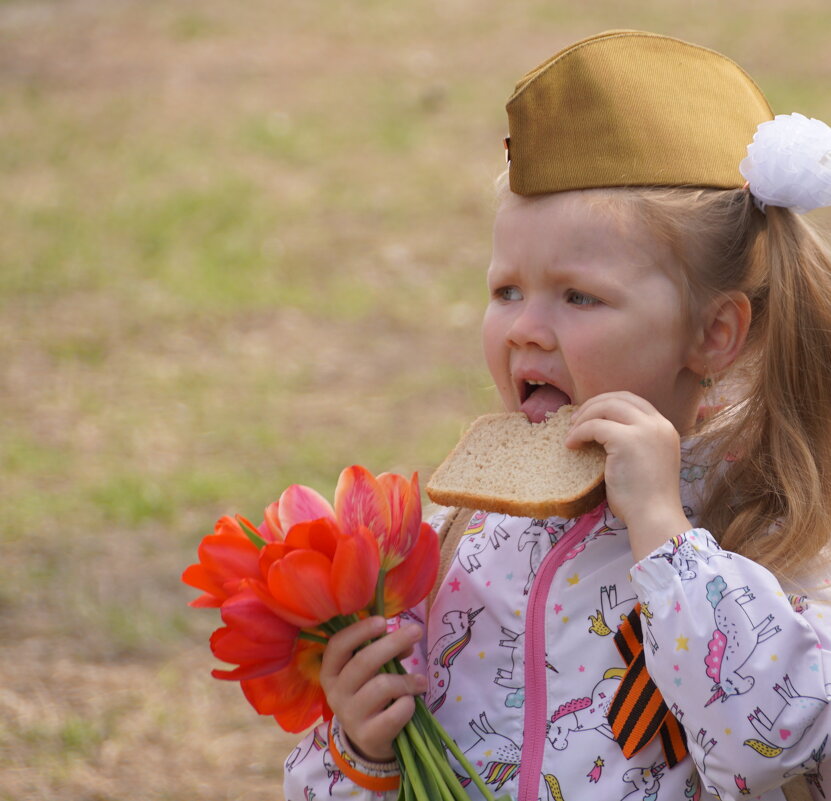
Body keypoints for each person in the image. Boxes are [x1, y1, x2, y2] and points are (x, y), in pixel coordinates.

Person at [284, 30, 831, 801]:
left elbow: (777, 748)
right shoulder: (457, 542)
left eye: (578, 296)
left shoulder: (779, 520)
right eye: (505, 290)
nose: (525, 328)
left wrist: (664, 534)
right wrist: (360, 752)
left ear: (712, 332)